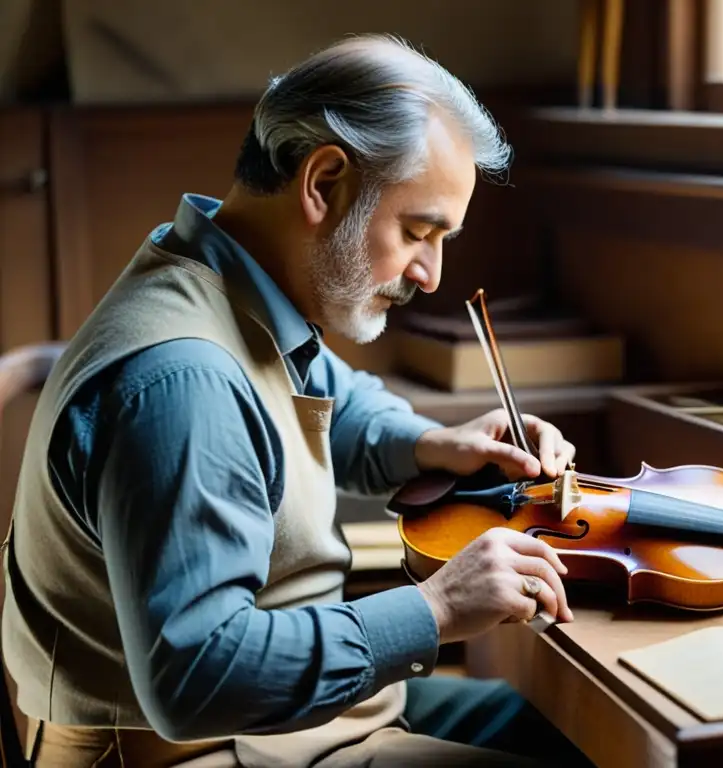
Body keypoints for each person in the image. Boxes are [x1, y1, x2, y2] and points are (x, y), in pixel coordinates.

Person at [1, 34, 590, 767]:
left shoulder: (231, 282)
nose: (431, 274)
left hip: (290, 718)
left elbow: (336, 406)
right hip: (203, 746)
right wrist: (435, 610)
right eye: (418, 231)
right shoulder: (186, 382)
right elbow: (196, 676)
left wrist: (436, 441)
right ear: (323, 181)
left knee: (569, 733)